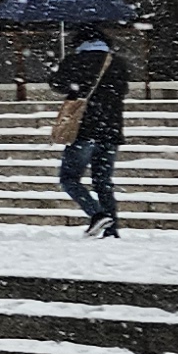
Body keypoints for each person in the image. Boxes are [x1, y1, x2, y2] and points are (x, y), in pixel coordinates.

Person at [52, 22, 132, 237]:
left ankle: (97, 214)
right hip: (111, 131)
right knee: (103, 182)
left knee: (69, 179)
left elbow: (57, 85)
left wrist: (63, 68)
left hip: (83, 130)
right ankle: (111, 229)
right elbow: (122, 90)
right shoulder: (117, 63)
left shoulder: (75, 61)